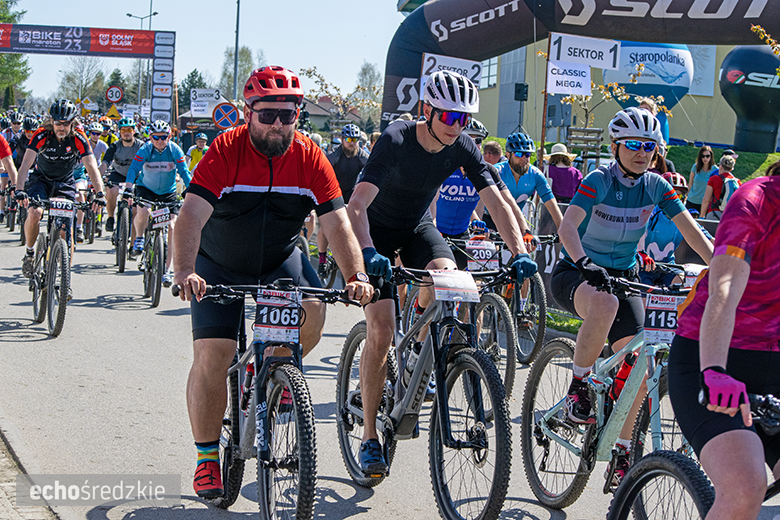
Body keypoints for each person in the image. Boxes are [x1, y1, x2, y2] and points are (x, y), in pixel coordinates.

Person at [172, 66, 374, 499]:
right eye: (269, 115)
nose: (279, 124)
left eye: (289, 114)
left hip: (279, 261)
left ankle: (272, 369)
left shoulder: (309, 156)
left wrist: (356, 275)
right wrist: (184, 270)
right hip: (218, 263)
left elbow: (338, 225)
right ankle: (207, 456)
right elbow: (189, 217)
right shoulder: (225, 150)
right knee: (212, 355)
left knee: (315, 309)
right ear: (249, 113)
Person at [347, 70, 536, 476]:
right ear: (427, 110)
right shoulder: (395, 140)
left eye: (463, 119)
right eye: (449, 117)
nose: (457, 126)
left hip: (416, 227)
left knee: (452, 281)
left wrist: (518, 250)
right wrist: (366, 252)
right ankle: (368, 436)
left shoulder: (463, 145)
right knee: (381, 329)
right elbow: (356, 206)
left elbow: (497, 200)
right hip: (375, 232)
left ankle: (417, 349)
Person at [552, 106, 713, 487]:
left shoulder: (656, 185)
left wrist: (725, 268)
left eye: (650, 146)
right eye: (634, 145)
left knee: (643, 363)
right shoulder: (598, 179)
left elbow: (692, 233)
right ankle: (579, 387)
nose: (643, 152)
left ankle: (623, 452)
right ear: (615, 147)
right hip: (578, 272)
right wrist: (583, 261)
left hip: (623, 278)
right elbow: (568, 226)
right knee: (604, 304)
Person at [668, 163, 780, 520]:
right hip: (714, 359)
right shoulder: (755, 201)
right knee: (745, 488)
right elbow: (724, 289)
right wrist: (714, 370)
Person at [15, 100, 106, 287]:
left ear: (72, 122)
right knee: (35, 213)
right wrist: (19, 190)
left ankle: (65, 280)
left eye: (66, 123)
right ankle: (30, 253)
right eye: (58, 123)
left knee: (66, 230)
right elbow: (25, 165)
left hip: (65, 182)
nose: (62, 127)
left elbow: (92, 167)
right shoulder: (41, 135)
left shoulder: (79, 137)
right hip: (42, 180)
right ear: (52, 121)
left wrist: (100, 194)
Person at [123, 120, 191, 286]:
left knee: (172, 227)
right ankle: (139, 238)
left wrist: (192, 188)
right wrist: (128, 187)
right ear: (150, 137)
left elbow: (183, 171)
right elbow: (133, 169)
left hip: (168, 192)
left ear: (169, 137)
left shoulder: (174, 149)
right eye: (156, 137)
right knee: (144, 212)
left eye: (164, 137)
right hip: (146, 188)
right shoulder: (145, 149)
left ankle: (166, 270)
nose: (160, 140)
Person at [638, 172, 713, 287]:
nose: (674, 201)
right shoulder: (651, 213)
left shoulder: (683, 217)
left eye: (680, 197)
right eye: (670, 196)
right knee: (643, 296)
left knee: (682, 283)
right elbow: (637, 234)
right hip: (644, 266)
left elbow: (706, 238)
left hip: (668, 267)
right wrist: (640, 254)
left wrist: (729, 251)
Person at [317, 123, 370, 277]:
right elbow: (322, 172)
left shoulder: (362, 156)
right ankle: (322, 259)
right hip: (333, 192)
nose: (352, 142)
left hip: (351, 193)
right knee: (327, 226)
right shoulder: (334, 155)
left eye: (355, 139)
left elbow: (373, 172)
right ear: (342, 139)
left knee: (356, 223)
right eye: (348, 139)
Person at [484, 132, 563, 230]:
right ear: (508, 155)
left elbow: (551, 204)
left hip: (515, 219)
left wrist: (562, 228)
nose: (524, 158)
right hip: (489, 218)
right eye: (518, 154)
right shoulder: (497, 171)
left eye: (527, 154)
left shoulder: (535, 175)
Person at [100, 117, 143, 233]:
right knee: (111, 191)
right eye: (123, 131)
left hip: (136, 176)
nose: (126, 133)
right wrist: (98, 177)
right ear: (119, 132)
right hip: (118, 173)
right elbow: (105, 163)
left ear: (134, 131)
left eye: (129, 130)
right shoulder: (114, 146)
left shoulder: (141, 146)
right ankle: (110, 217)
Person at [701, 155, 740, 220]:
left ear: (721, 167)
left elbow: (706, 199)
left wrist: (701, 216)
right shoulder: (737, 182)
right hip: (730, 216)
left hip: (714, 214)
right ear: (731, 169)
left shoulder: (713, 179)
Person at [688, 146, 716, 212]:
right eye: (703, 156)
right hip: (692, 200)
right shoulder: (695, 166)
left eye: (707, 156)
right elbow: (690, 184)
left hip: (705, 203)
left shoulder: (715, 170)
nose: (705, 158)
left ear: (711, 156)